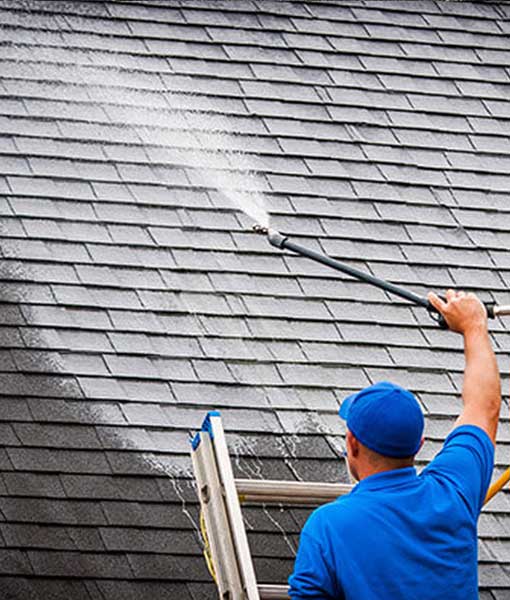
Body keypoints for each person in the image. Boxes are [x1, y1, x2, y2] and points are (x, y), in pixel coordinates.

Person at [288, 290, 501, 600]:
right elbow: (484, 407)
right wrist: (474, 325)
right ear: (419, 444)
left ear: (353, 443)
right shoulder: (452, 493)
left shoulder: (329, 527)